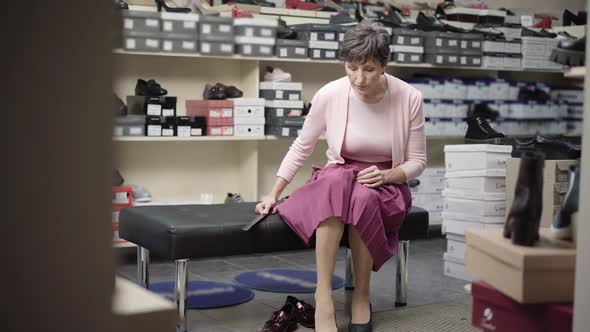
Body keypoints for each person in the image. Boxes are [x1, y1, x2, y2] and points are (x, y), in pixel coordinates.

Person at [255, 22, 426, 332]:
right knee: (334, 184)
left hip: (385, 181)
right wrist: (272, 192)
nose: (359, 78)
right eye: (352, 67)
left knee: (363, 196)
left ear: (384, 66)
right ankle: (323, 297)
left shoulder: (409, 97)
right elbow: (302, 146)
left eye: (369, 69)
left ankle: (362, 296)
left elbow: (417, 161)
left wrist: (389, 175)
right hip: (339, 174)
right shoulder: (330, 94)